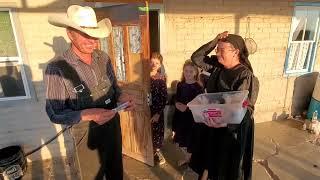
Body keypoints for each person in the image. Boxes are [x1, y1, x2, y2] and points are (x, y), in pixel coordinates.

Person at [45, 5, 135, 180]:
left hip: (112, 125)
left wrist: (122, 96)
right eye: (85, 34)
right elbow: (55, 113)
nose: (92, 41)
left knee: (116, 171)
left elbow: (114, 88)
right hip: (85, 132)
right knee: (92, 176)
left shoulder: (103, 58)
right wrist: (87, 114)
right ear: (70, 33)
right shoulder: (57, 68)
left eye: (95, 35)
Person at [189, 31, 259, 180]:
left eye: (222, 49)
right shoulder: (217, 66)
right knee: (209, 162)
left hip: (232, 130)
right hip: (213, 121)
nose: (218, 53)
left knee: (226, 169)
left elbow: (246, 109)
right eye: (217, 49)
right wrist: (215, 41)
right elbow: (196, 58)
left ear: (236, 52)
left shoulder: (245, 76)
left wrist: (225, 124)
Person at [172, 60, 203, 166]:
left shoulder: (198, 87)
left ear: (195, 73)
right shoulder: (180, 85)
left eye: (191, 71)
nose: (188, 73)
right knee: (181, 142)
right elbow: (177, 97)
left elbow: (199, 105)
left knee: (189, 141)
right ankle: (188, 158)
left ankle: (189, 159)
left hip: (191, 119)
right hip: (180, 117)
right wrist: (176, 103)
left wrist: (187, 108)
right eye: (186, 71)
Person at [149, 52, 168, 165]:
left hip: (156, 111)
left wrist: (158, 113)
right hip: (145, 109)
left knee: (156, 132)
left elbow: (164, 98)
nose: (153, 64)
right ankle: (147, 151)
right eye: (151, 62)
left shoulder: (161, 78)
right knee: (146, 130)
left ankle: (157, 152)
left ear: (160, 65)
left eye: (156, 63)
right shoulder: (143, 77)